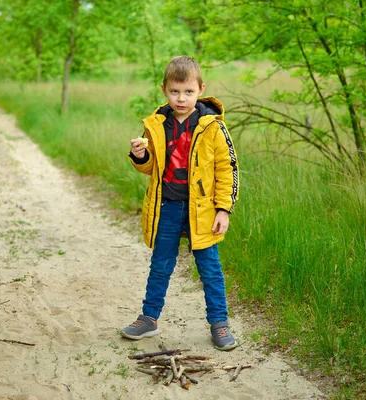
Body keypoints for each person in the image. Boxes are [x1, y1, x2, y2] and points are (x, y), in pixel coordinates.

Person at [121, 55, 239, 351]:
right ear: (165, 90)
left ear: (201, 89)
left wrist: (223, 208)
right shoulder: (157, 125)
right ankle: (149, 318)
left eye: (188, 91)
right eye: (175, 91)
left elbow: (228, 169)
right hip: (169, 206)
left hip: (203, 210)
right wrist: (139, 156)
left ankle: (219, 322)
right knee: (161, 264)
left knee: (209, 267)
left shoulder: (212, 126)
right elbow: (152, 168)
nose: (181, 98)